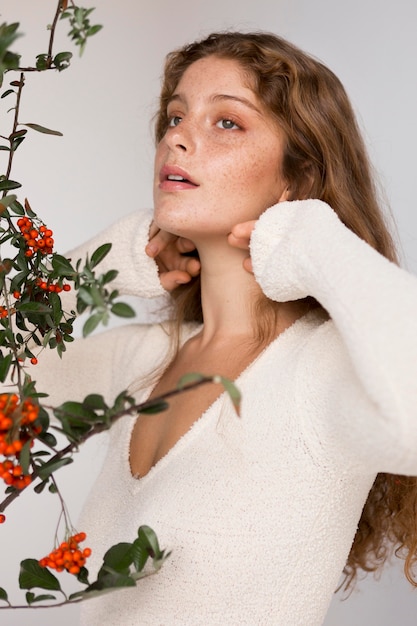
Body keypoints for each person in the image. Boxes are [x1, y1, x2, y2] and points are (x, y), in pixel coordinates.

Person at [19, 31, 417, 624]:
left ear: (298, 180)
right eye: (175, 115)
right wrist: (98, 265)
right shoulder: (141, 361)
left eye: (226, 122)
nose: (177, 136)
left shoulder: (321, 371)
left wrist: (316, 242)